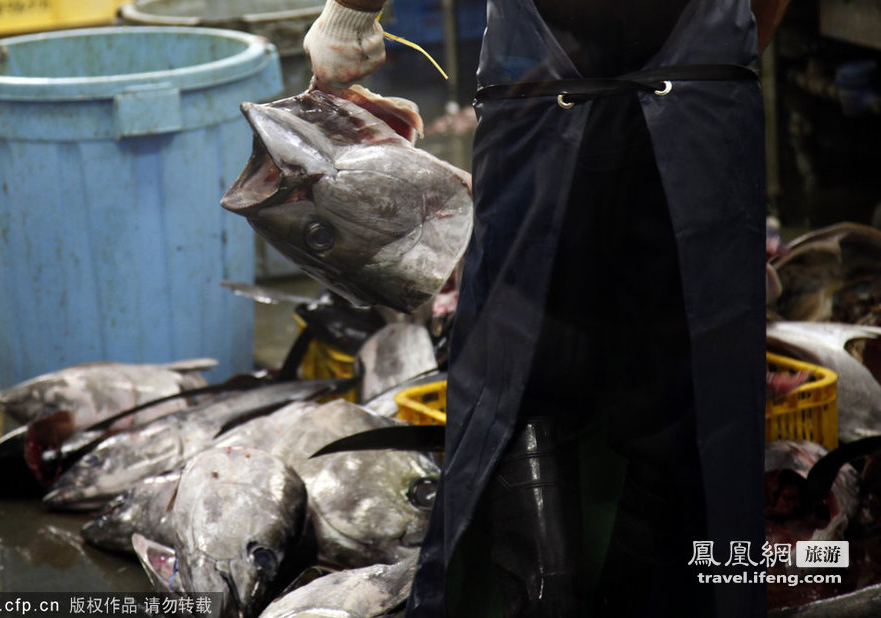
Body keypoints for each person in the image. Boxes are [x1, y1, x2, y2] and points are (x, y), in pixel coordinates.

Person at [305, 1, 792, 616]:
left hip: (543, 71)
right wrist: (723, 52)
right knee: (688, 384)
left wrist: (350, 15)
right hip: (702, 82)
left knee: (524, 370)